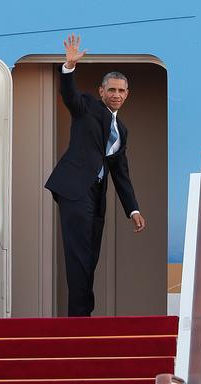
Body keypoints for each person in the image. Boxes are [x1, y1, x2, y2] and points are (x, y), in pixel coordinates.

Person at [45, 34, 146, 317]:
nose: (116, 94)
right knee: (78, 256)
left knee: (90, 256)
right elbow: (70, 96)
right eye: (111, 89)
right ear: (101, 91)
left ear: (127, 95)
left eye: (121, 91)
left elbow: (121, 172)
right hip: (75, 190)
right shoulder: (87, 106)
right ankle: (79, 320)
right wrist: (69, 67)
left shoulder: (121, 130)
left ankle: (82, 315)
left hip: (96, 195)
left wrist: (133, 209)